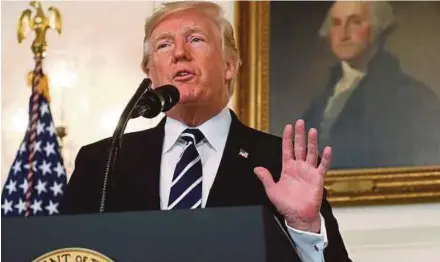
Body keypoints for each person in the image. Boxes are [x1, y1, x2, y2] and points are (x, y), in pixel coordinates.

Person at [60, 2, 351, 261]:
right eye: (164, 45)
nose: (179, 54)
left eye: (195, 40)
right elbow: (61, 253)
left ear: (229, 65)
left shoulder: (280, 163)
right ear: (150, 73)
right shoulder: (102, 162)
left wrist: (303, 228)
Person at [303, 1, 440, 169]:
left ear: (378, 29)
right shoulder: (320, 101)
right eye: (336, 23)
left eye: (355, 22)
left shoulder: (413, 98)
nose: (343, 34)